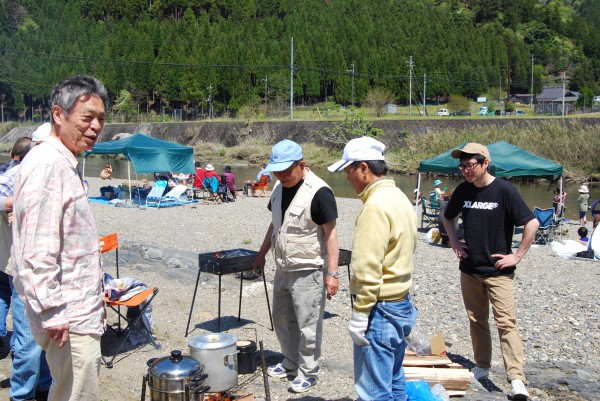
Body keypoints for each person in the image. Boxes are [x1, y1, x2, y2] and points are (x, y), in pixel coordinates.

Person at [12, 74, 108, 401]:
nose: (95, 126)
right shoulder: (47, 166)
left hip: (79, 312)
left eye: (101, 119)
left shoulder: (65, 163)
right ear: (58, 114)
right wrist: (53, 311)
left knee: (71, 390)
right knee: (75, 395)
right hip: (69, 317)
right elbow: (36, 252)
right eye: (87, 118)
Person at [442, 143, 539, 401]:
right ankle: (482, 366)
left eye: (470, 165)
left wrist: (517, 255)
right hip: (470, 269)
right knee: (477, 320)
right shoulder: (463, 190)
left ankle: (516, 379)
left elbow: (532, 222)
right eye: (462, 166)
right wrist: (453, 241)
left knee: (506, 324)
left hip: (498, 272)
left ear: (485, 163)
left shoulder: (504, 190)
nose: (465, 171)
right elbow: (447, 217)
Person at [327, 137, 418, 400]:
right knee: (393, 378)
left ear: (364, 169)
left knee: (373, 391)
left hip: (380, 309)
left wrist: (360, 313)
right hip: (401, 303)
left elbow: (367, 267)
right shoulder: (399, 197)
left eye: (348, 171)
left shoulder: (375, 206)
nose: (347, 178)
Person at [252, 139, 339, 393]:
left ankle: (309, 372)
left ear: (302, 164)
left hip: (309, 269)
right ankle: (290, 361)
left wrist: (332, 274)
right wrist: (261, 254)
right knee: (281, 317)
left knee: (308, 323)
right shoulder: (279, 186)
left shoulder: (320, 192)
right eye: (276, 171)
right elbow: (275, 224)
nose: (281, 175)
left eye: (286, 171)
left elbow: (332, 235)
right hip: (283, 267)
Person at [1, 134, 53, 401]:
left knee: (44, 336)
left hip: (46, 269)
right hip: (20, 267)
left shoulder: (52, 172)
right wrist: (15, 204)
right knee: (28, 341)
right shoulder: (18, 174)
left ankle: (43, 386)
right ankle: (21, 395)